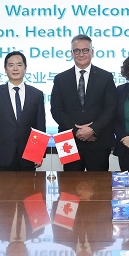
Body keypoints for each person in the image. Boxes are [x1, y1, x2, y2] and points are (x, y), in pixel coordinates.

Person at [50, 34, 117, 171]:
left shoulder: (105, 77)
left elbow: (111, 108)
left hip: (98, 140)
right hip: (69, 141)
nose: (81, 54)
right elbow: (56, 110)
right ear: (71, 53)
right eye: (77, 50)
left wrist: (93, 129)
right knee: (69, 183)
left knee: (98, 183)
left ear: (92, 52)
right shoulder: (60, 79)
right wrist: (77, 131)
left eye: (85, 50)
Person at [0, 51, 46, 171]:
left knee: (28, 184)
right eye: (11, 65)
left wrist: (38, 153)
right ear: (5, 69)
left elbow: (40, 126)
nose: (15, 69)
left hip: (29, 156)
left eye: (19, 65)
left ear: (25, 68)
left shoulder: (36, 94)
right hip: (1, 156)